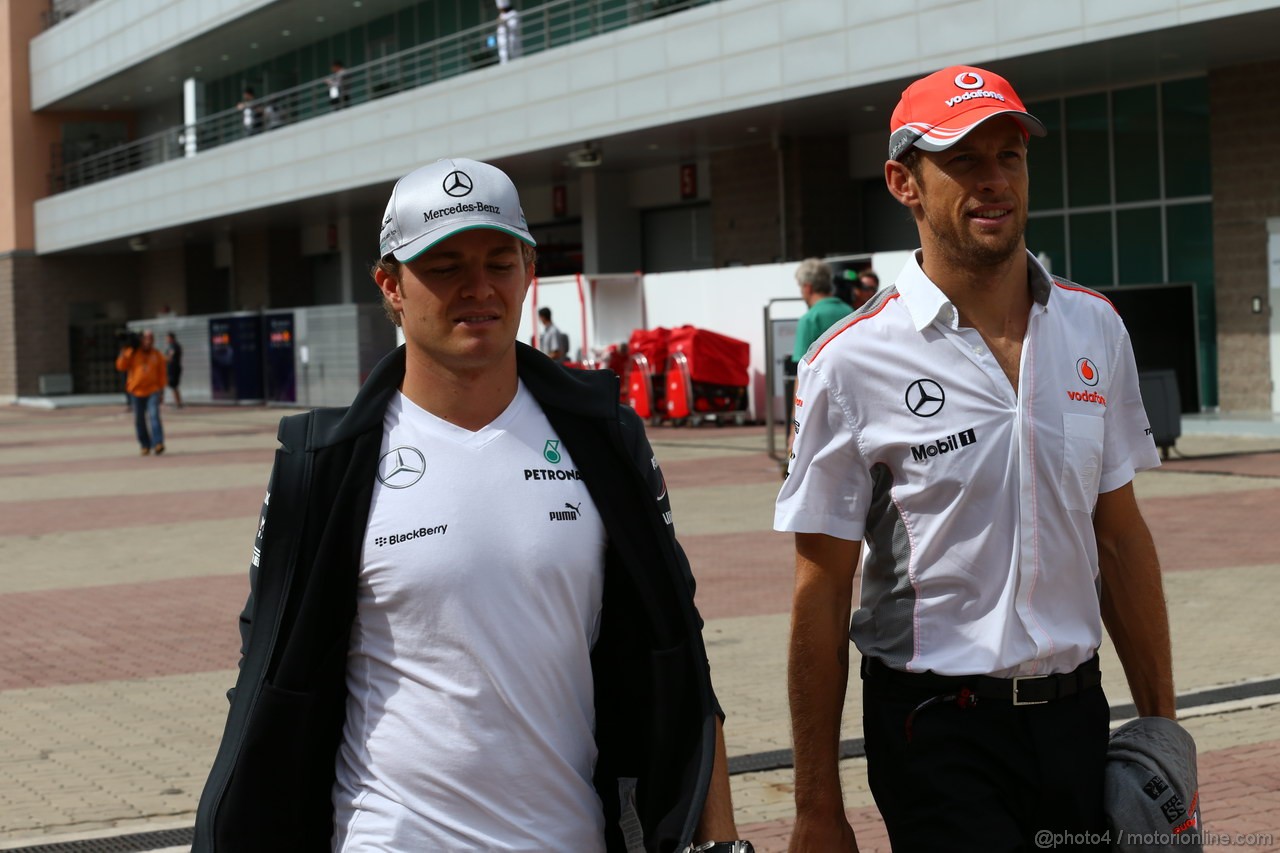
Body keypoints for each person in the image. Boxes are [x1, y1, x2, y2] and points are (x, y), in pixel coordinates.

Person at [194, 157, 747, 852]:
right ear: (390, 285)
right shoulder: (326, 463)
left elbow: (678, 657)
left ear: (527, 273)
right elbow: (271, 675)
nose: (478, 288)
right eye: (445, 266)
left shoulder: (604, 439)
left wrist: (720, 838)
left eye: (499, 262)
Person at [777, 65, 1176, 851]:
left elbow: (1121, 536)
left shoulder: (1095, 330)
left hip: (1075, 719)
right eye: (964, 160)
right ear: (904, 182)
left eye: (1010, 156)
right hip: (936, 730)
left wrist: (1164, 731)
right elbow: (822, 587)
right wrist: (817, 806)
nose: (994, 181)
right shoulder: (851, 362)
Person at [115, 329, 167, 455]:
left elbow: (162, 375)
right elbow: (121, 366)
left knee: (154, 416)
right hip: (136, 391)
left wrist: (162, 391)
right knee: (139, 420)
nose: (148, 341)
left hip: (153, 390)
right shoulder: (132, 353)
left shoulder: (157, 355)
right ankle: (145, 445)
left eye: (151, 338)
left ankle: (158, 443)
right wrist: (123, 351)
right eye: (146, 338)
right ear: (141, 340)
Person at [791, 258, 852, 363]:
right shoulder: (850, 311)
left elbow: (801, 371)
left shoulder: (809, 320)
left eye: (800, 287)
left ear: (807, 287)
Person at [164, 332, 184, 409]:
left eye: (167, 338)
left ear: (171, 338)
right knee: (174, 386)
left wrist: (164, 359)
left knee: (174, 386)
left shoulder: (174, 346)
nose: (166, 339)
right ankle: (178, 403)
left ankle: (178, 403)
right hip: (173, 368)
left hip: (174, 369)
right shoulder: (173, 346)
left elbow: (170, 357)